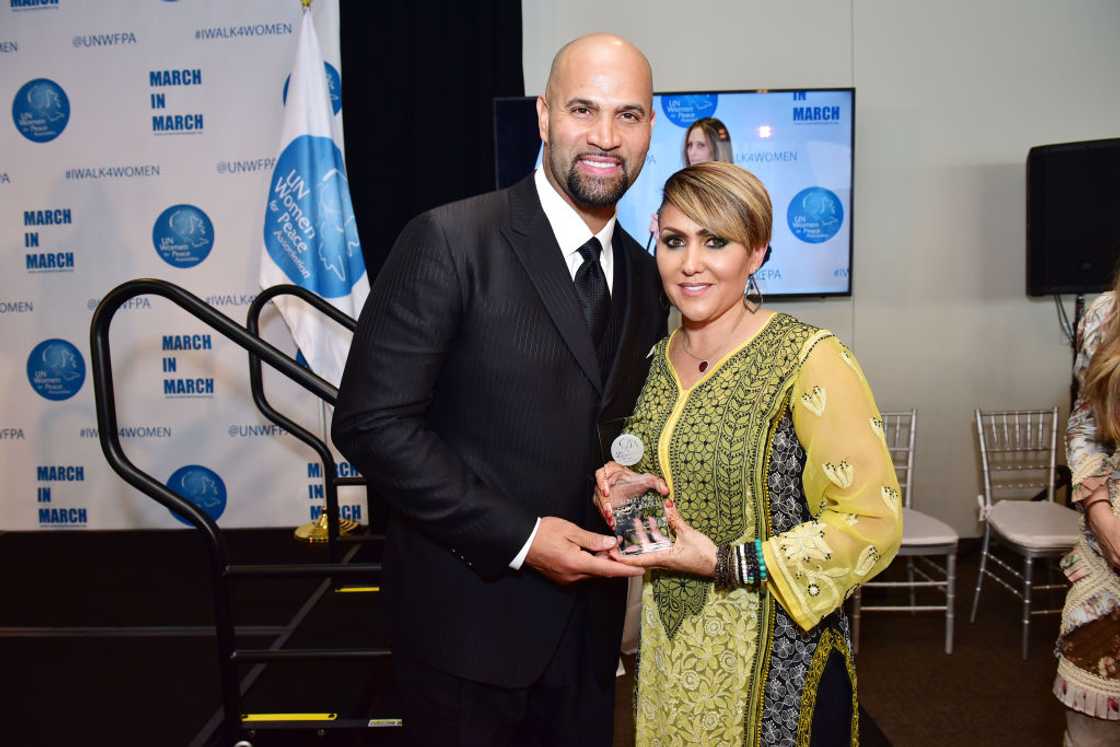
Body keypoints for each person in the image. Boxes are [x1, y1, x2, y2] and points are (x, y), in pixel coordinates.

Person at [332, 33, 666, 746]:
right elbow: (371, 422)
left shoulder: (644, 277)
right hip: (466, 632)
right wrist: (521, 536)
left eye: (629, 115)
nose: (606, 137)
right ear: (544, 115)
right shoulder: (451, 241)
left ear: (650, 128)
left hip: (590, 632)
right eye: (584, 109)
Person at [595, 161, 903, 746]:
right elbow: (667, 489)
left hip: (775, 652)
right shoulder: (653, 364)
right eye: (674, 241)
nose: (690, 263)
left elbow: (873, 523)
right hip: (671, 654)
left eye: (717, 242)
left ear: (756, 253)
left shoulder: (809, 358)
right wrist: (623, 489)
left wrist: (729, 563)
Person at [1055, 283, 1120, 746]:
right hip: (1109, 563)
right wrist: (1102, 517)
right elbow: (1085, 426)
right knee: (1092, 734)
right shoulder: (1105, 315)